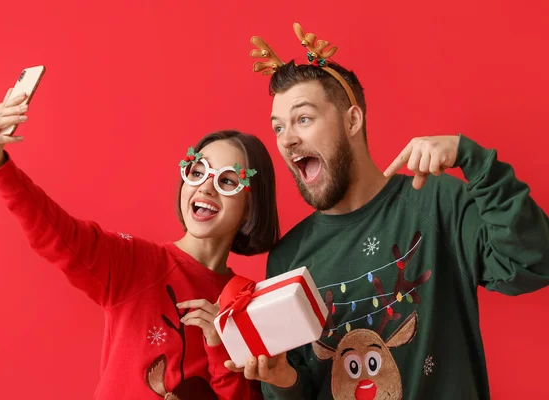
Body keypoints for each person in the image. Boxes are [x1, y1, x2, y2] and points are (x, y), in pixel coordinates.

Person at [228, 23, 549, 399]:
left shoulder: (435, 202)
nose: (287, 139)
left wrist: (472, 158)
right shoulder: (287, 258)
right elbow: (303, 387)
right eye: (278, 127)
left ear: (352, 120)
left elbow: (533, 263)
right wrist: (282, 382)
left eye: (303, 119)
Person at [0, 88, 280, 399]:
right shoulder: (138, 264)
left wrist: (217, 344)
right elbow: (56, 233)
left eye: (227, 180)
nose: (205, 187)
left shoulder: (247, 303)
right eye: (197, 171)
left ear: (251, 204)